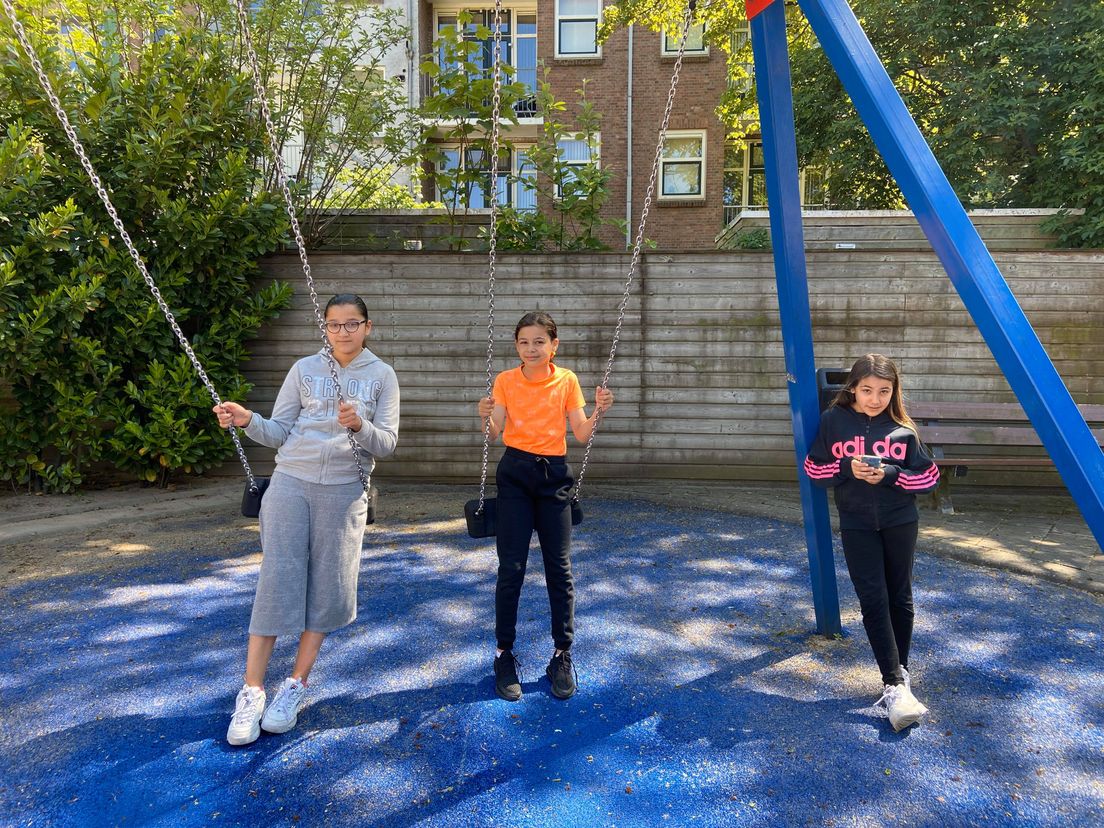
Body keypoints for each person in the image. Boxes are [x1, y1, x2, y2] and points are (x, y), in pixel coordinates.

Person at [213, 294, 399, 745]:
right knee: (277, 579)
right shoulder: (303, 369)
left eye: (352, 324)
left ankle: (296, 684)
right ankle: (253, 689)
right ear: (325, 328)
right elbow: (278, 432)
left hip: (344, 490)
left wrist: (360, 426)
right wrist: (247, 419)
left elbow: (388, 443)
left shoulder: (382, 376)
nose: (343, 332)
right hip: (291, 482)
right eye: (334, 325)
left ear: (367, 327)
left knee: (328, 584)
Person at [476, 311, 613, 702]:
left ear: (554, 345)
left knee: (560, 568)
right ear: (516, 346)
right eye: (524, 342)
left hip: (554, 476)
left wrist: (601, 408)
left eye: (539, 341)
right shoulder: (505, 380)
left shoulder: (566, 380)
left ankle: (561, 654)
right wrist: (484, 415)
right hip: (515, 474)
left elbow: (582, 433)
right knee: (512, 568)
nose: (531, 348)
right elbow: (497, 432)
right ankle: (503, 654)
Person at [803, 354, 939, 731]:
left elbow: (929, 477)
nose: (875, 398)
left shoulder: (902, 428)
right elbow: (814, 469)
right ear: (853, 389)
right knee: (873, 599)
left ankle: (901, 676)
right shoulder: (833, 422)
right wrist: (848, 468)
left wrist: (891, 474)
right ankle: (893, 685)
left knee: (900, 597)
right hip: (857, 523)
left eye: (884, 390)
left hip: (900, 522)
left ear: (894, 392)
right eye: (867, 390)